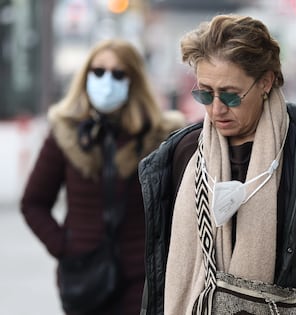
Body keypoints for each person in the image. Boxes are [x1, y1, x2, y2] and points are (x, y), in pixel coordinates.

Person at [138, 14, 296, 315]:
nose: (216, 108)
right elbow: (160, 261)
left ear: (266, 82)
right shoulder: (183, 152)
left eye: (231, 96)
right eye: (205, 93)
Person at [21, 39, 185, 315]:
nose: (107, 80)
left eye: (118, 74)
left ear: (134, 80)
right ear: (85, 76)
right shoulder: (66, 134)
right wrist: (65, 246)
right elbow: (33, 203)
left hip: (142, 279)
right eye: (98, 71)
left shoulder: (159, 137)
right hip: (84, 276)